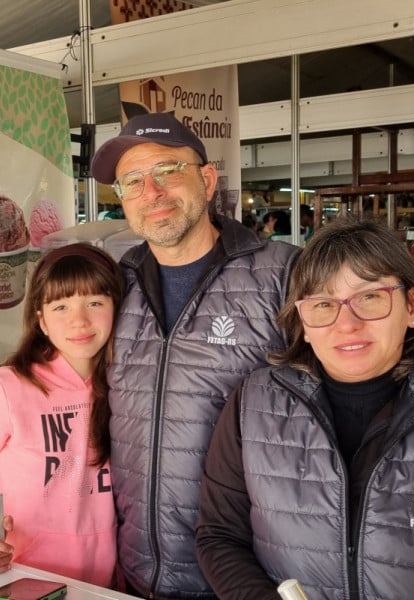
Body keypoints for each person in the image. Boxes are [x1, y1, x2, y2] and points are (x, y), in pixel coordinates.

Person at [89, 111, 299, 599]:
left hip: (245, 577)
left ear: (207, 179)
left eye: (167, 170)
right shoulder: (116, 284)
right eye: (133, 182)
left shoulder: (283, 275)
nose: (152, 192)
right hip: (138, 571)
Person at [196, 217, 414, 599]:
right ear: (303, 322)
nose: (347, 323)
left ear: (413, 307)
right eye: (323, 304)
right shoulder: (253, 404)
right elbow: (220, 535)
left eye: (370, 297)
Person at [0, 243, 125, 587]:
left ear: (117, 308)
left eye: (95, 302)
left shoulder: (126, 383)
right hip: (25, 579)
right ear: (41, 320)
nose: (79, 320)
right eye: (60, 306)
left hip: (106, 583)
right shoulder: (8, 388)